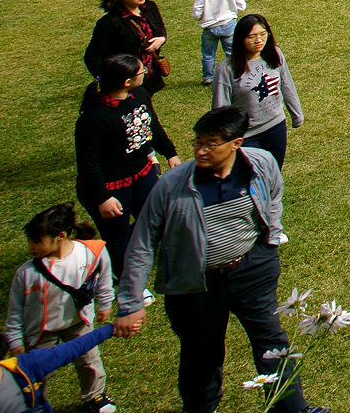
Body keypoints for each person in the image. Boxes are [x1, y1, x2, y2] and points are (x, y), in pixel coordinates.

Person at [110, 105, 310, 413]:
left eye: (210, 144)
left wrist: (270, 240)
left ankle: (293, 409)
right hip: (196, 285)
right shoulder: (172, 185)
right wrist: (131, 302)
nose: (200, 151)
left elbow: (274, 196)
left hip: (252, 271)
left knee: (272, 343)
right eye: (197, 142)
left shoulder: (261, 163)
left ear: (236, 144)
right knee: (201, 353)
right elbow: (142, 244)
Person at [4, 203, 117, 413]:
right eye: (30, 240)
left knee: (89, 361)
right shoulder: (26, 273)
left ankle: (95, 396)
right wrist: (15, 340)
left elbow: (103, 278)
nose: (30, 246)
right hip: (41, 331)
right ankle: (35, 404)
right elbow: (15, 311)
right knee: (38, 372)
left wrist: (105, 302)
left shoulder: (91, 253)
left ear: (61, 236)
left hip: (78, 322)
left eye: (36, 241)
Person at [75, 53, 178, 281]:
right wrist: (102, 198)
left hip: (141, 174)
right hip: (110, 187)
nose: (146, 73)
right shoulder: (93, 119)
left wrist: (170, 153)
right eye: (142, 71)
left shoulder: (139, 95)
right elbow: (88, 163)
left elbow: (152, 126)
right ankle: (127, 280)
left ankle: (144, 253)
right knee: (117, 236)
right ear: (126, 81)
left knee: (157, 217)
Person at [212, 16, 302, 168]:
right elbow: (221, 108)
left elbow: (287, 85)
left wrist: (297, 115)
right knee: (253, 175)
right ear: (240, 39)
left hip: (275, 126)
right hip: (245, 135)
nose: (258, 40)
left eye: (263, 34)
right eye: (251, 37)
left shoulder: (275, 54)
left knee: (273, 172)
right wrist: (225, 139)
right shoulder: (226, 69)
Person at [84, 0, 168, 91]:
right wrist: (109, 80)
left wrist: (161, 39)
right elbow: (92, 56)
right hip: (126, 82)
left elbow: (160, 28)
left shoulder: (150, 7)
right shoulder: (109, 23)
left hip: (149, 76)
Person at [191, 0, 245, 86]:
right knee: (232, 52)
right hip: (229, 24)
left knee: (208, 54)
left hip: (209, 27)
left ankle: (208, 77)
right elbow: (241, 6)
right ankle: (234, 74)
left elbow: (196, 14)